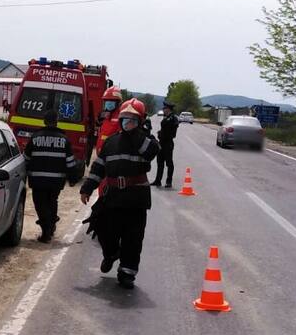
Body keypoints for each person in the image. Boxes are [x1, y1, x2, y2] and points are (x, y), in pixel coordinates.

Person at [80, 99, 159, 289]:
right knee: (102, 228)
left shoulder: (146, 141)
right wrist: (88, 187)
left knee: (133, 238)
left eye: (132, 119)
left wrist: (136, 133)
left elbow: (150, 153)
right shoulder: (112, 141)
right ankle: (111, 253)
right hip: (113, 195)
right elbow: (99, 165)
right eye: (125, 118)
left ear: (140, 121)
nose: (127, 122)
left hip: (136, 198)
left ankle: (127, 273)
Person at [24, 109, 81, 242]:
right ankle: (51, 224)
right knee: (52, 201)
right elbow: (70, 162)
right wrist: (73, 179)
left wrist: (23, 175)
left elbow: (26, 158)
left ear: (44, 121)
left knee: (40, 204)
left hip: (38, 180)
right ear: (56, 122)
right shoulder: (64, 140)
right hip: (56, 181)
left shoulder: (35, 137)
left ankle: (46, 232)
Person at [151, 101, 179, 188]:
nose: (163, 110)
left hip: (168, 143)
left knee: (169, 163)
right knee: (160, 162)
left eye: (165, 108)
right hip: (162, 143)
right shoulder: (166, 117)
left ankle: (169, 181)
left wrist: (163, 133)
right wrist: (160, 133)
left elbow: (173, 129)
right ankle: (158, 180)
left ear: (168, 109)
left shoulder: (173, 118)